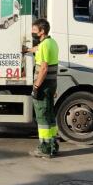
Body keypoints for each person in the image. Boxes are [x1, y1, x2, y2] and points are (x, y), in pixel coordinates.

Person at [26, 18, 60, 158]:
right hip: (51, 84)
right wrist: (27, 50)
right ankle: (53, 145)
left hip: (43, 86)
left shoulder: (44, 45)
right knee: (50, 115)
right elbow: (38, 49)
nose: (32, 32)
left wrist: (36, 87)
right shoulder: (51, 42)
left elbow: (44, 68)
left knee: (42, 117)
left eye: (34, 30)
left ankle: (44, 149)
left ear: (42, 31)